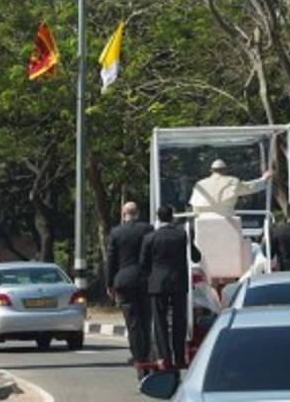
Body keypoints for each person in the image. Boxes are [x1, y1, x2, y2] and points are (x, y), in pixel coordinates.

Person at [141, 206, 201, 370]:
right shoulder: (181, 235)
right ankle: (179, 356)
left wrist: (150, 279)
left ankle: (164, 356)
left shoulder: (150, 238)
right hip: (178, 283)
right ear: (172, 217)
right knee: (179, 321)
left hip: (157, 285)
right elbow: (196, 256)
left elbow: (143, 264)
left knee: (160, 322)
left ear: (158, 218)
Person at [106, 202, 154, 376]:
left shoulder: (116, 232)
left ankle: (139, 359)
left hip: (124, 281)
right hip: (146, 281)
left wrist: (109, 284)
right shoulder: (148, 229)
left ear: (123, 214)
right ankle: (147, 357)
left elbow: (111, 261)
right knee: (146, 321)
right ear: (138, 213)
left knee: (133, 323)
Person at [189, 159, 272, 218]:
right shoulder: (232, 181)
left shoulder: (199, 184)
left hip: (203, 222)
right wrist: (263, 179)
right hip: (227, 220)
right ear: (225, 170)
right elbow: (249, 187)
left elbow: (195, 207)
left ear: (211, 170)